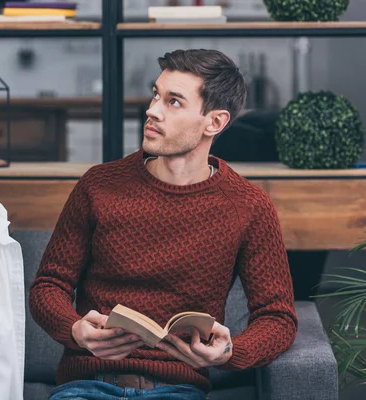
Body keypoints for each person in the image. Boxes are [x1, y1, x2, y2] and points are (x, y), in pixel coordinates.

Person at [29, 49, 298, 400]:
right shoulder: (98, 185)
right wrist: (75, 329)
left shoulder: (249, 207)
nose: (152, 110)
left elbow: (278, 318)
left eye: (173, 102)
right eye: (156, 94)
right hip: (87, 384)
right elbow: (48, 286)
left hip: (178, 389)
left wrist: (231, 352)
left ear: (214, 122)